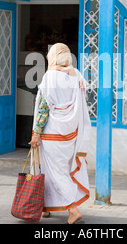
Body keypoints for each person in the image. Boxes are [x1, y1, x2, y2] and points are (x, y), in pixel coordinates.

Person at [29, 43, 91, 224]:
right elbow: (83, 102)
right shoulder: (77, 75)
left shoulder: (50, 77)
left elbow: (43, 108)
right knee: (51, 170)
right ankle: (46, 207)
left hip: (51, 133)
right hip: (70, 134)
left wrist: (36, 134)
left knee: (57, 173)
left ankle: (73, 210)